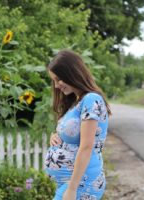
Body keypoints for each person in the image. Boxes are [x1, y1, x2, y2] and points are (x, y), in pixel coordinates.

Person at [44, 50, 112, 200]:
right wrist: (56, 137)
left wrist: (72, 188)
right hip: (70, 182)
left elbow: (87, 147)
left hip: (82, 183)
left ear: (71, 73)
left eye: (58, 80)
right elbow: (74, 135)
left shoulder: (91, 99)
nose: (56, 86)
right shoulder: (75, 102)